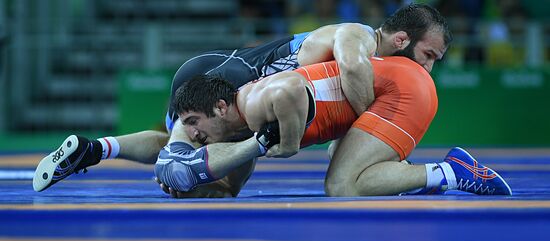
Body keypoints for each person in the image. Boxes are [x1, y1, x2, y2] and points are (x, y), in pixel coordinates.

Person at [33, 3, 451, 193]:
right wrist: (367, 125)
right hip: (231, 84)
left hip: (223, 74)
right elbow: (353, 68)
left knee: (190, 152)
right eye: (428, 56)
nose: (427, 67)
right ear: (401, 38)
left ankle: (96, 148)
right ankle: (171, 169)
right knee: (185, 165)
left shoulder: (375, 57)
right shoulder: (359, 35)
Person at [155, 55, 512, 198]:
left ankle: (450, 171)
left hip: (401, 90)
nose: (193, 134)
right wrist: (202, 187)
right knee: (342, 163)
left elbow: (291, 87)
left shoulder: (251, 102)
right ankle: (422, 179)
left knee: (341, 185)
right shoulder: (241, 125)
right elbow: (231, 183)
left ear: (220, 107)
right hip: (394, 85)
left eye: (192, 122)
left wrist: (290, 142)